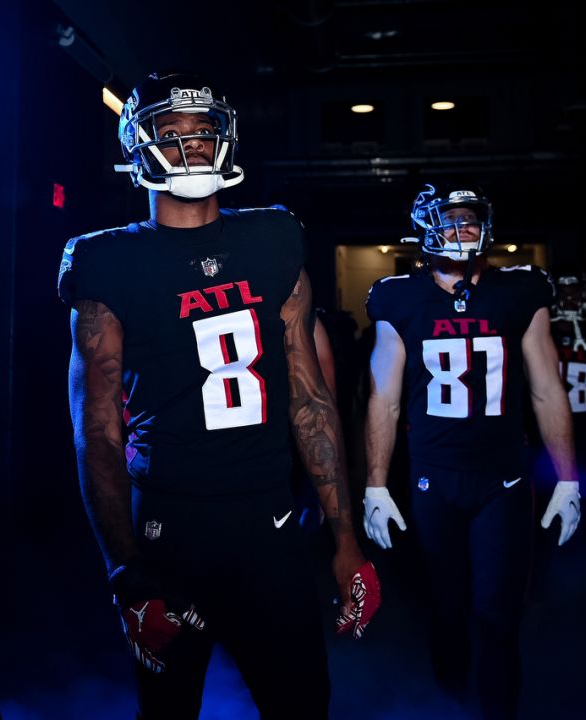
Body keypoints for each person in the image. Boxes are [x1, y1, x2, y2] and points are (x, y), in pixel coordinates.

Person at [58, 71, 379, 720]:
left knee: (302, 706)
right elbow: (98, 432)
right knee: (169, 709)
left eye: (203, 132)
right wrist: (124, 571)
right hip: (167, 532)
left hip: (268, 524)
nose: (193, 147)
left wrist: (345, 539)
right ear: (137, 146)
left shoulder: (272, 238)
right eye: (171, 133)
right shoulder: (106, 261)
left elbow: (310, 399)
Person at [362, 181, 580, 720]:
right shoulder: (398, 295)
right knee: (446, 609)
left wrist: (568, 477)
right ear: (424, 228)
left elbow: (547, 387)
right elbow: (383, 398)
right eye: (450, 220)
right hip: (433, 476)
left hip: (503, 478)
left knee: (498, 615)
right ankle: (452, 702)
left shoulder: (519, 290)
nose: (462, 230)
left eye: (469, 220)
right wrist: (375, 483)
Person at [545, 274, 586, 502]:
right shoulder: (541, 331)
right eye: (564, 291)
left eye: (575, 291)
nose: (570, 298)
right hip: (547, 425)